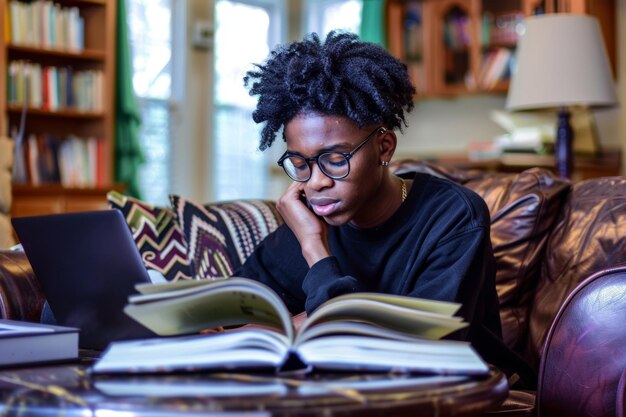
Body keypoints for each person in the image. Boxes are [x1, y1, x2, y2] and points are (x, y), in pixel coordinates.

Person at [239, 30, 535, 387]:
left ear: (384, 147)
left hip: (463, 399)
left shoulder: (454, 217)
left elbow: (413, 355)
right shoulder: (308, 218)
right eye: (300, 163)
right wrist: (305, 322)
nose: (315, 181)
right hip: (343, 400)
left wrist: (316, 253)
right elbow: (236, 325)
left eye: (334, 159)